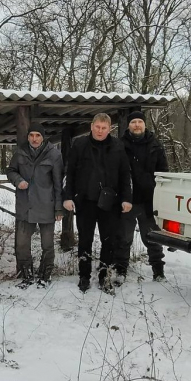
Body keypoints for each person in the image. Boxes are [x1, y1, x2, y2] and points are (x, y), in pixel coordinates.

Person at [62, 113, 133, 293]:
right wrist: (68, 196)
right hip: (85, 201)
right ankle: (84, 276)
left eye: (104, 128)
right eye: (97, 127)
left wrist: (126, 198)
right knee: (85, 240)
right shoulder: (79, 145)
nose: (100, 131)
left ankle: (104, 276)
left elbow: (125, 174)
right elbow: (69, 173)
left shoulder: (118, 146)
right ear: (91, 126)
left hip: (110, 202)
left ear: (110, 129)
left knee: (108, 241)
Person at [6, 121, 64, 287]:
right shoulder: (20, 152)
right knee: (22, 244)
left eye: (38, 135)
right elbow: (10, 170)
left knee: (47, 244)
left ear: (43, 137)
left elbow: (59, 183)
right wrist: (18, 181)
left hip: (47, 205)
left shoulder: (54, 155)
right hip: (26, 206)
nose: (34, 138)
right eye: (31, 135)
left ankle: (45, 275)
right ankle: (27, 274)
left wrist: (59, 208)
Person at [119, 109, 169, 281]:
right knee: (124, 238)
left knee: (152, 238)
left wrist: (160, 194)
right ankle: (121, 270)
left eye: (139, 122)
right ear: (129, 125)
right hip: (128, 200)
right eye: (133, 122)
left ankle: (158, 271)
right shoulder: (120, 145)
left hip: (150, 201)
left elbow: (164, 173)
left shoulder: (156, 145)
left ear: (144, 124)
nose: (137, 125)